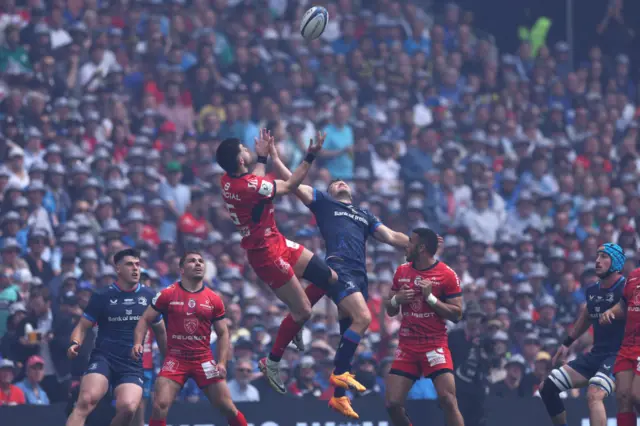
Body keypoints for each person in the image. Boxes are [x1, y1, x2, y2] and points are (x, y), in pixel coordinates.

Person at [268, 141, 410, 418]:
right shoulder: (323, 202)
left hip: (360, 276)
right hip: (339, 268)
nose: (341, 183)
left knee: (349, 333)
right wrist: (274, 158)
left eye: (344, 182)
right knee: (364, 318)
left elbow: (392, 237)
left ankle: (339, 396)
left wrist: (417, 244)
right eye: (336, 182)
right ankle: (336, 380)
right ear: (331, 190)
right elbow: (293, 183)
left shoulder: (364, 214)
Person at [216, 129, 338, 394]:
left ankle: (293, 321)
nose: (248, 151)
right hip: (266, 255)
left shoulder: (227, 180)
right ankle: (271, 361)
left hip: (277, 241)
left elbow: (255, 181)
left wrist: (263, 157)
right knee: (304, 311)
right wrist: (310, 156)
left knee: (329, 279)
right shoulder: (248, 185)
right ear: (239, 160)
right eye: (244, 149)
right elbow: (292, 185)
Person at [132, 251, 248, 426]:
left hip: (203, 359)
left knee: (227, 407)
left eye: (201, 261)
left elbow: (223, 333)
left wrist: (222, 362)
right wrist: (137, 343)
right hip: (176, 359)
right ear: (182, 269)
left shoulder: (214, 298)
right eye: (192, 261)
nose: (198, 264)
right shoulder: (167, 294)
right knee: (159, 405)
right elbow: (144, 318)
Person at [65, 248, 167, 426]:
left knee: (128, 408)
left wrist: (169, 363)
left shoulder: (150, 296)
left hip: (131, 363)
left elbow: (161, 332)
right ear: (118, 269)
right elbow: (82, 326)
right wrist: (75, 343)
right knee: (86, 400)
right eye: (130, 264)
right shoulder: (102, 296)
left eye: (137, 264)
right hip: (104, 358)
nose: (136, 269)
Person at [384, 228, 465, 426]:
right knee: (392, 404)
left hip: (434, 344)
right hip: (407, 347)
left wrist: (430, 298)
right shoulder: (401, 271)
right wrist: (396, 300)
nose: (406, 245)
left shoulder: (446, 274)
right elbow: (390, 310)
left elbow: (457, 314)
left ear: (421, 248)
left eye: (410, 242)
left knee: (448, 400)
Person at [539, 243, 626, 426]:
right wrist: (567, 343)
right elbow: (586, 316)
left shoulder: (627, 287)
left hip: (620, 355)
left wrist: (615, 313)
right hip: (597, 355)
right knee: (547, 388)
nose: (597, 261)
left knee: (594, 394)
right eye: (597, 256)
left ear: (616, 262)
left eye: (604, 257)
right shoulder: (593, 291)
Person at [600, 266, 640, 426]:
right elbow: (624, 304)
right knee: (623, 396)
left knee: (637, 395)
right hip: (628, 345)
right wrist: (611, 312)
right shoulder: (634, 276)